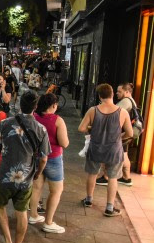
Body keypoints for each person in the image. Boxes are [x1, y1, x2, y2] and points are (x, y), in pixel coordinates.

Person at [0, 91, 49, 243]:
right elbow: (44, 158)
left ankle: (8, 242)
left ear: (19, 104)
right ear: (35, 107)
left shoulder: (5, 123)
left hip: (5, 175)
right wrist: (36, 173)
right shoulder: (41, 129)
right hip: (26, 178)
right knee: (22, 212)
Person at [78, 84, 133, 217]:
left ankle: (89, 200)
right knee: (113, 177)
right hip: (114, 149)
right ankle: (109, 207)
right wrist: (119, 137)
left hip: (96, 147)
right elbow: (130, 133)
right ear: (112, 94)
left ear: (99, 96)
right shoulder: (122, 112)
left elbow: (81, 128)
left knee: (92, 173)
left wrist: (94, 129)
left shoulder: (93, 110)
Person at [30, 93, 69, 233]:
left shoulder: (34, 117)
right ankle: (48, 222)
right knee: (56, 190)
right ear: (53, 105)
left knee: (36, 188)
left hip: (35, 157)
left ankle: (33, 215)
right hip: (53, 158)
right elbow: (64, 143)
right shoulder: (57, 120)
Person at [96, 83, 135, 187]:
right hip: (127, 132)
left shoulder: (125, 102)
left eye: (119, 91)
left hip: (122, 133)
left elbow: (113, 113)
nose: (116, 93)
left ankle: (106, 177)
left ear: (127, 92)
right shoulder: (131, 101)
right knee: (124, 154)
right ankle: (126, 178)